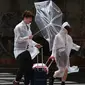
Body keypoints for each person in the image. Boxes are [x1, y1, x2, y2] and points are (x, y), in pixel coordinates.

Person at [13, 10, 41, 85]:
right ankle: (16, 81)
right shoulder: (18, 27)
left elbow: (30, 40)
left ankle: (25, 82)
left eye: (31, 19)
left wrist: (35, 44)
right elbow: (18, 40)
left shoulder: (28, 26)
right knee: (23, 67)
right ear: (25, 18)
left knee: (28, 69)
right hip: (19, 50)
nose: (30, 20)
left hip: (26, 50)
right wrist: (27, 37)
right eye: (29, 19)